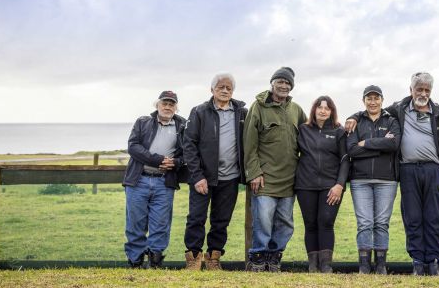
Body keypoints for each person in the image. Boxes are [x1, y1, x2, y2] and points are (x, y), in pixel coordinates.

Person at [346, 72, 439, 276]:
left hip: (434, 171)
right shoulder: (399, 109)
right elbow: (372, 110)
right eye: (419, 89)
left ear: (431, 91)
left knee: (434, 218)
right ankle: (417, 262)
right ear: (411, 90)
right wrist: (353, 117)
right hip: (407, 170)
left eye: (427, 90)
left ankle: (433, 262)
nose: (423, 93)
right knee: (412, 218)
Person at [243, 67, 307, 272]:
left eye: (288, 83)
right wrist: (254, 172)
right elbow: (249, 144)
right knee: (262, 221)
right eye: (280, 81)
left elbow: (312, 130)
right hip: (265, 178)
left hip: (290, 178)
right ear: (272, 83)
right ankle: (258, 259)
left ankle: (274, 259)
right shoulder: (258, 107)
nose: (284, 86)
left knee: (285, 223)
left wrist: (343, 123)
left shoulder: (296, 109)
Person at [182, 73, 248, 271]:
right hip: (203, 178)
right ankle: (193, 259)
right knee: (196, 218)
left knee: (221, 220)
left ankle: (213, 258)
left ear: (233, 91)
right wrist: (197, 176)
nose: (225, 90)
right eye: (221, 87)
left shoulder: (242, 113)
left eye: (229, 87)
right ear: (212, 90)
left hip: (230, 177)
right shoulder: (199, 111)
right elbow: (189, 145)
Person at [122, 90, 185, 268]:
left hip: (164, 182)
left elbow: (189, 153)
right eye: (164, 103)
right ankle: (135, 262)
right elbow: (133, 146)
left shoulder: (183, 126)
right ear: (157, 105)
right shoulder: (143, 122)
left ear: (176, 107)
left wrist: (176, 163)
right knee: (135, 223)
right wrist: (158, 160)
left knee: (161, 224)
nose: (167, 106)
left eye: (171, 104)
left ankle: (155, 263)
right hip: (139, 180)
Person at [346, 85, 400, 275]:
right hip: (360, 181)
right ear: (364, 101)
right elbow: (352, 149)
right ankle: (364, 265)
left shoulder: (391, 120)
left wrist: (367, 144)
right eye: (369, 98)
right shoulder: (356, 122)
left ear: (382, 100)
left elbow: (393, 144)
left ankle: (381, 264)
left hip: (387, 181)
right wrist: (380, 147)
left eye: (376, 98)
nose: (373, 102)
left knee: (381, 223)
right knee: (365, 223)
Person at [295, 96, 349, 273]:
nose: (323, 111)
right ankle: (313, 265)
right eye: (320, 107)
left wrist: (339, 184)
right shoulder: (303, 129)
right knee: (310, 224)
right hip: (305, 185)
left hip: (330, 186)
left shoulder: (338, 131)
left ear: (332, 111)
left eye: (327, 108)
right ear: (314, 109)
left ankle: (326, 265)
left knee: (326, 222)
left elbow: (345, 159)